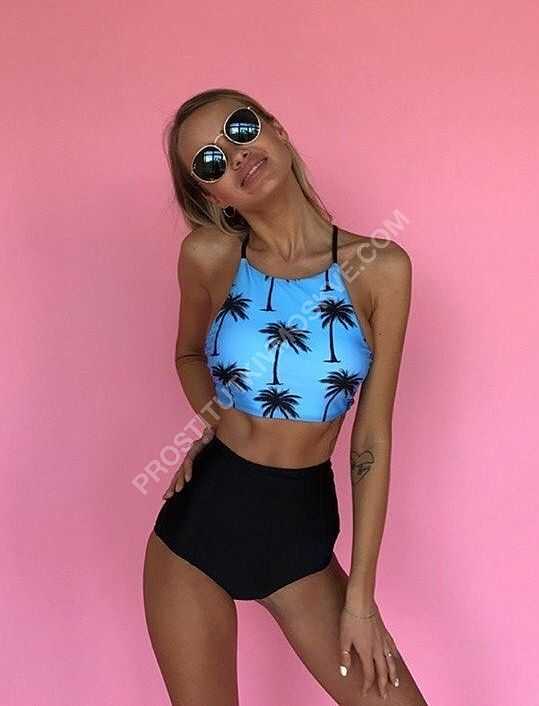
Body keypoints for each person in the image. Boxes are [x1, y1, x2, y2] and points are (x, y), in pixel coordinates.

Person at [143, 88, 428, 706]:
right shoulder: (209, 256)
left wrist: (360, 600)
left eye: (240, 129)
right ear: (212, 196)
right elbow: (188, 354)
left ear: (275, 128)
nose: (235, 156)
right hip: (198, 529)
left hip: (298, 532)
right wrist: (214, 422)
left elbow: (371, 437)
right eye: (210, 162)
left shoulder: (380, 268)